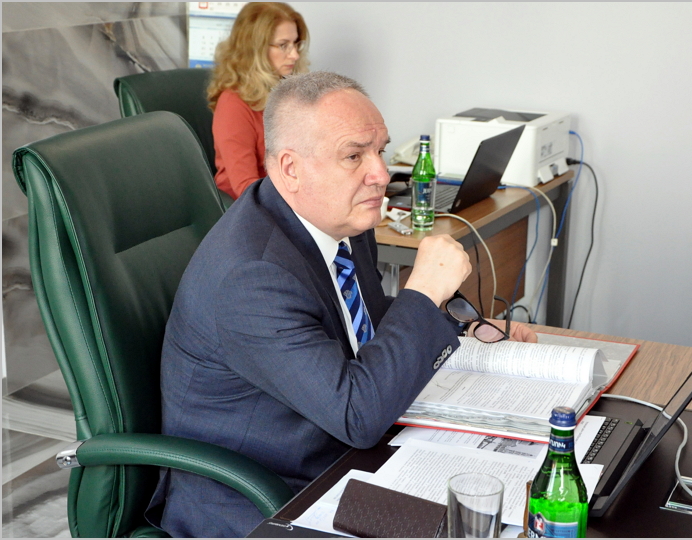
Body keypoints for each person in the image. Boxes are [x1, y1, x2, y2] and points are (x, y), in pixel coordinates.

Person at [148, 71, 537, 537]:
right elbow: (358, 416)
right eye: (354, 156)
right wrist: (422, 292)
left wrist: (464, 325)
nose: (381, 174)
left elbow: (357, 316)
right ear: (291, 168)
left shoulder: (338, 217)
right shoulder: (252, 277)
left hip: (337, 455)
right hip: (265, 498)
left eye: (380, 150)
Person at [207, 2, 309, 201]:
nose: (295, 55)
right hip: (251, 208)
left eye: (296, 44)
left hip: (291, 197)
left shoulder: (290, 94)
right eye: (283, 45)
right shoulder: (233, 104)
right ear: (256, 49)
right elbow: (246, 187)